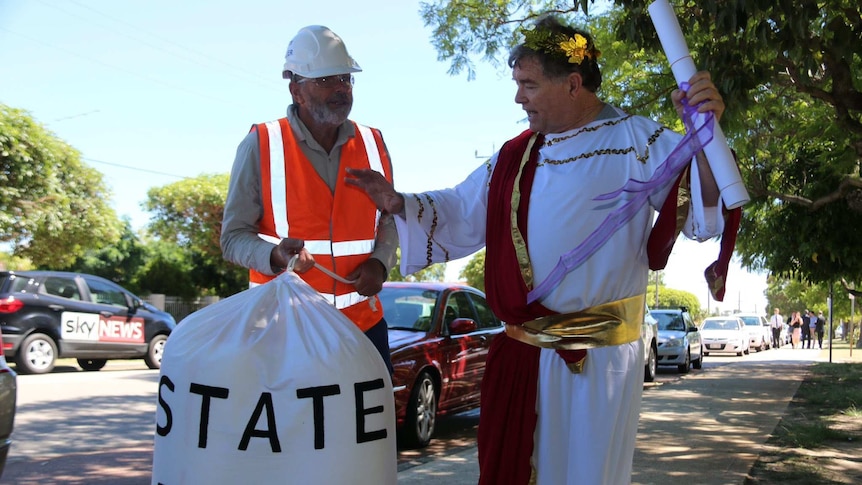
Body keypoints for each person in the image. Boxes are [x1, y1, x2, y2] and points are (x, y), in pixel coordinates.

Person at [346, 16, 740, 485]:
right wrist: (399, 202)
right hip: (525, 352)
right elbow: (462, 208)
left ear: (573, 84)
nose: (518, 98)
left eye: (528, 85)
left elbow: (702, 206)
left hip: (600, 360)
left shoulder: (636, 140)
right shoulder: (515, 155)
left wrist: (705, 134)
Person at [220, 25, 398, 373]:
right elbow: (232, 239)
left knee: (368, 427)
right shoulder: (262, 144)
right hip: (283, 330)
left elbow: (389, 220)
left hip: (361, 327)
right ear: (296, 90)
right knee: (293, 428)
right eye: (325, 80)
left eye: (346, 79)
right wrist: (273, 255)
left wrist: (380, 262)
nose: (340, 89)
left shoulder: (373, 144)